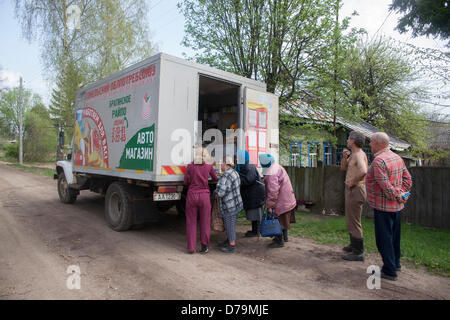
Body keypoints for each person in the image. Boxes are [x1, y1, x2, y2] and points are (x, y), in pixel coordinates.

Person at [366, 132, 412, 281]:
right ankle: (396, 263)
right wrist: (402, 194)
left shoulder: (379, 161)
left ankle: (389, 270)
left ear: (379, 143)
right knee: (394, 237)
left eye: (371, 142)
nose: (370, 144)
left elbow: (386, 188)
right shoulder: (397, 157)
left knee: (384, 239)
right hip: (397, 208)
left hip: (383, 208)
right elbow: (408, 179)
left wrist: (397, 194)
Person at [340, 131, 369, 261]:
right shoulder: (353, 155)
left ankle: (358, 252)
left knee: (354, 221)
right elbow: (343, 168)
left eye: (348, 139)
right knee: (350, 220)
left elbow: (363, 171)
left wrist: (352, 182)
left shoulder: (359, 155)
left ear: (353, 140)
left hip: (356, 190)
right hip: (351, 190)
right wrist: (344, 157)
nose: (347, 141)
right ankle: (353, 245)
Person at [183, 147, 218, 254]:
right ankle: (204, 246)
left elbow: (185, 182)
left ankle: (191, 248)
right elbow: (215, 179)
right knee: (205, 222)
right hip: (204, 196)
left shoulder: (190, 166)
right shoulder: (208, 166)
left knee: (191, 222)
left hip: (192, 195)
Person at [258, 153, 297, 248]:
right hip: (287, 198)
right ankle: (285, 237)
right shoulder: (276, 166)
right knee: (283, 218)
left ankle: (279, 241)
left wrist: (270, 206)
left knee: (278, 218)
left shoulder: (271, 172)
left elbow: (273, 191)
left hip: (282, 200)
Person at [214, 156, 243, 253]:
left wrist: (215, 192)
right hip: (236, 203)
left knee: (229, 224)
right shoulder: (234, 172)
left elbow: (221, 193)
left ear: (225, 163)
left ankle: (232, 246)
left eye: (221, 162)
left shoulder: (225, 175)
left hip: (229, 205)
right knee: (231, 223)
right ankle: (228, 240)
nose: (220, 164)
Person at [236, 149, 265, 237]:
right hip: (251, 193)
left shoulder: (249, 167)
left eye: (237, 157)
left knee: (256, 213)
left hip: (255, 194)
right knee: (253, 213)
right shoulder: (243, 165)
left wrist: (237, 180)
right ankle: (254, 230)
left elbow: (249, 180)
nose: (236, 158)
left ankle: (256, 231)